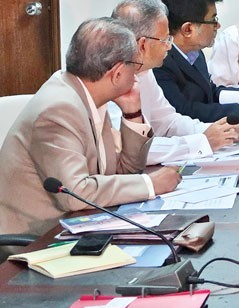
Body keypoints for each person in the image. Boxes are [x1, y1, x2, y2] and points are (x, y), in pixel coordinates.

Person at [0, 18, 180, 252]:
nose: (136, 76)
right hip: (38, 242)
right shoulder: (59, 109)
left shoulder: (87, 94)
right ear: (116, 73)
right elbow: (75, 194)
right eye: (135, 66)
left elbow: (126, 171)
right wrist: (149, 184)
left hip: (79, 225)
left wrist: (133, 112)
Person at [112, 0, 239, 164]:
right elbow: (131, 150)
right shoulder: (111, 79)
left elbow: (168, 122)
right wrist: (202, 141)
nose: (169, 46)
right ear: (143, 45)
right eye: (166, 40)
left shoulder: (144, 71)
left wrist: (213, 130)